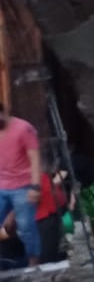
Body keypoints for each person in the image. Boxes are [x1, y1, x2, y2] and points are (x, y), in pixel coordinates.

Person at [0, 103, 41, 267]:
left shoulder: (24, 129)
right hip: (1, 185)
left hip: (22, 185)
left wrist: (35, 186)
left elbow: (35, 158)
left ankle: (33, 262)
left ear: (3, 112)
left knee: (26, 227)